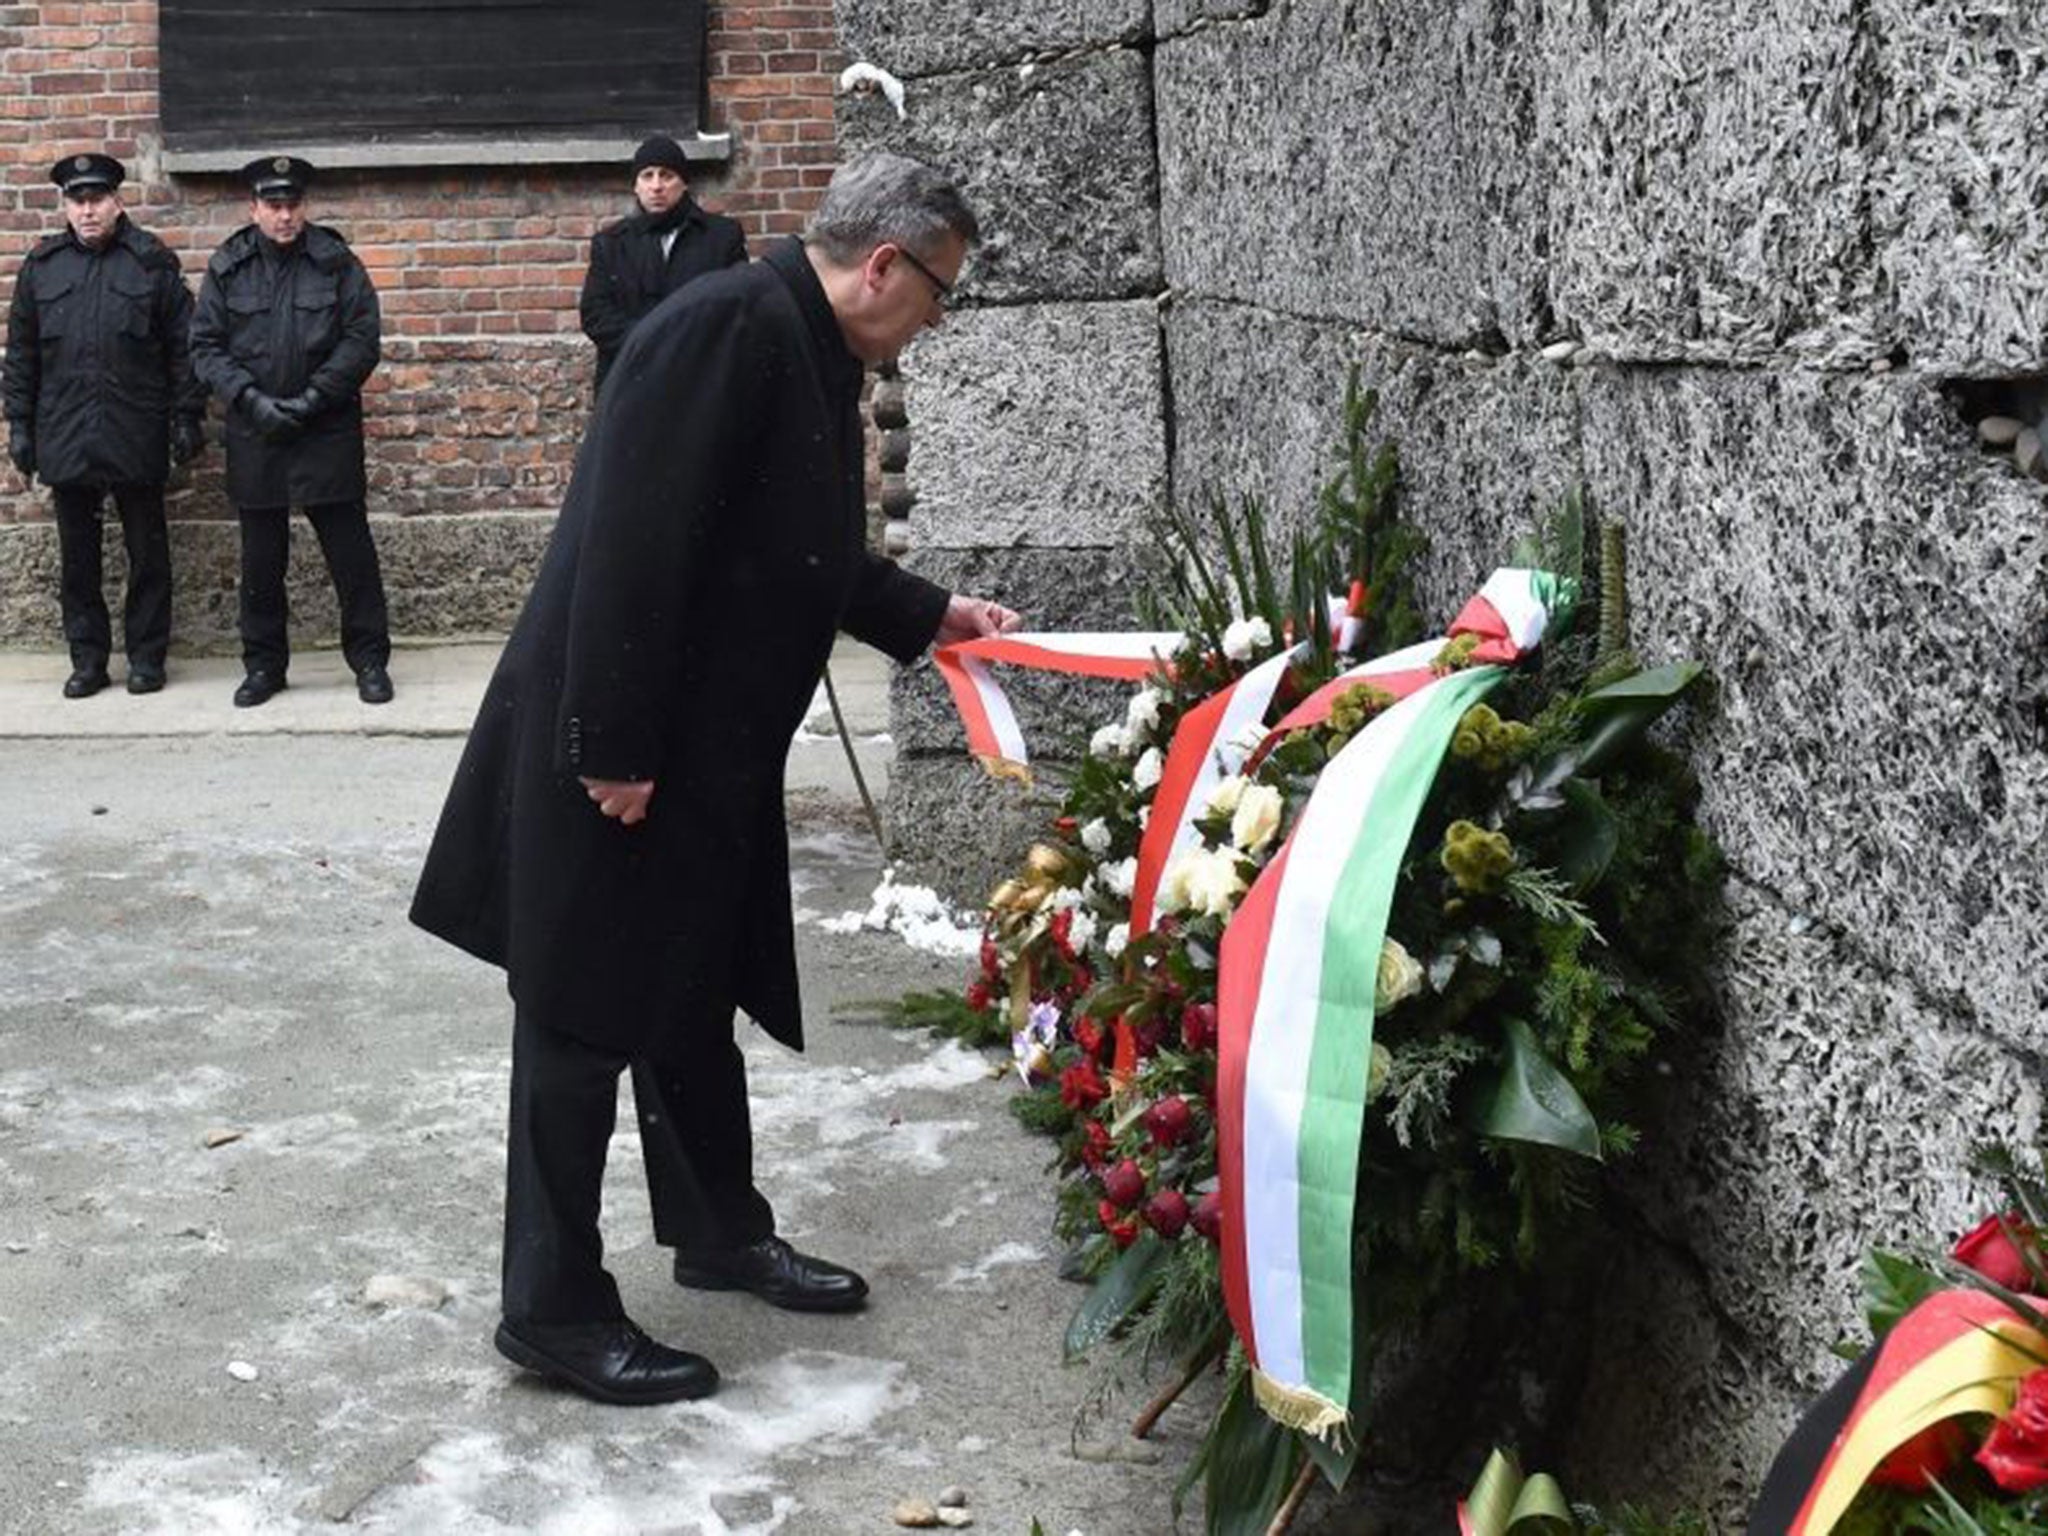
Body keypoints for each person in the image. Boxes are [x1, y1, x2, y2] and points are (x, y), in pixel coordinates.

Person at [410, 152, 1017, 1406]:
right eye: (939, 294)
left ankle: (717, 1229)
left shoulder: (799, 340)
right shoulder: (721, 328)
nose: (935, 323)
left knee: (687, 990)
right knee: (578, 1022)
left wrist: (928, 612)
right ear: (884, 266)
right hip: (620, 750)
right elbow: (630, 541)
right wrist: (617, 750)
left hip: (696, 757)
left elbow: (789, 548)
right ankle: (552, 1310)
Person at [189, 155, 393, 708]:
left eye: (292, 205)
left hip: (324, 429)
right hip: (256, 432)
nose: (284, 216)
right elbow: (205, 345)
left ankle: (370, 660)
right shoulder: (228, 266)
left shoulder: (335, 261)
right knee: (261, 560)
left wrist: (313, 399)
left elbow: (360, 338)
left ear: (304, 206)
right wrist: (251, 400)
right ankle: (263, 666)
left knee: (350, 554)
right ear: (253, 208)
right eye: (273, 206)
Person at [3, 152, 205, 698]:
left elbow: (184, 351)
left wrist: (186, 416)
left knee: (147, 552)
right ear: (66, 206)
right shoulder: (43, 268)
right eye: (77, 200)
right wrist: (19, 425)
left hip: (135, 425)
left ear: (118, 201)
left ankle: (146, 657)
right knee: (78, 559)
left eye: (97, 199)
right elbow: (21, 354)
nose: (88, 211)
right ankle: (88, 660)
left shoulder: (150, 264)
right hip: (66, 429)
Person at [577, 133, 747, 397]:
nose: (657, 186)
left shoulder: (721, 238)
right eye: (647, 176)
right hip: (629, 381)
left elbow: (736, 308)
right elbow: (596, 314)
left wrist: (682, 346)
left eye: (666, 175)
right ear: (636, 186)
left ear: (684, 183)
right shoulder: (610, 244)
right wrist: (649, 343)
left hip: (699, 381)